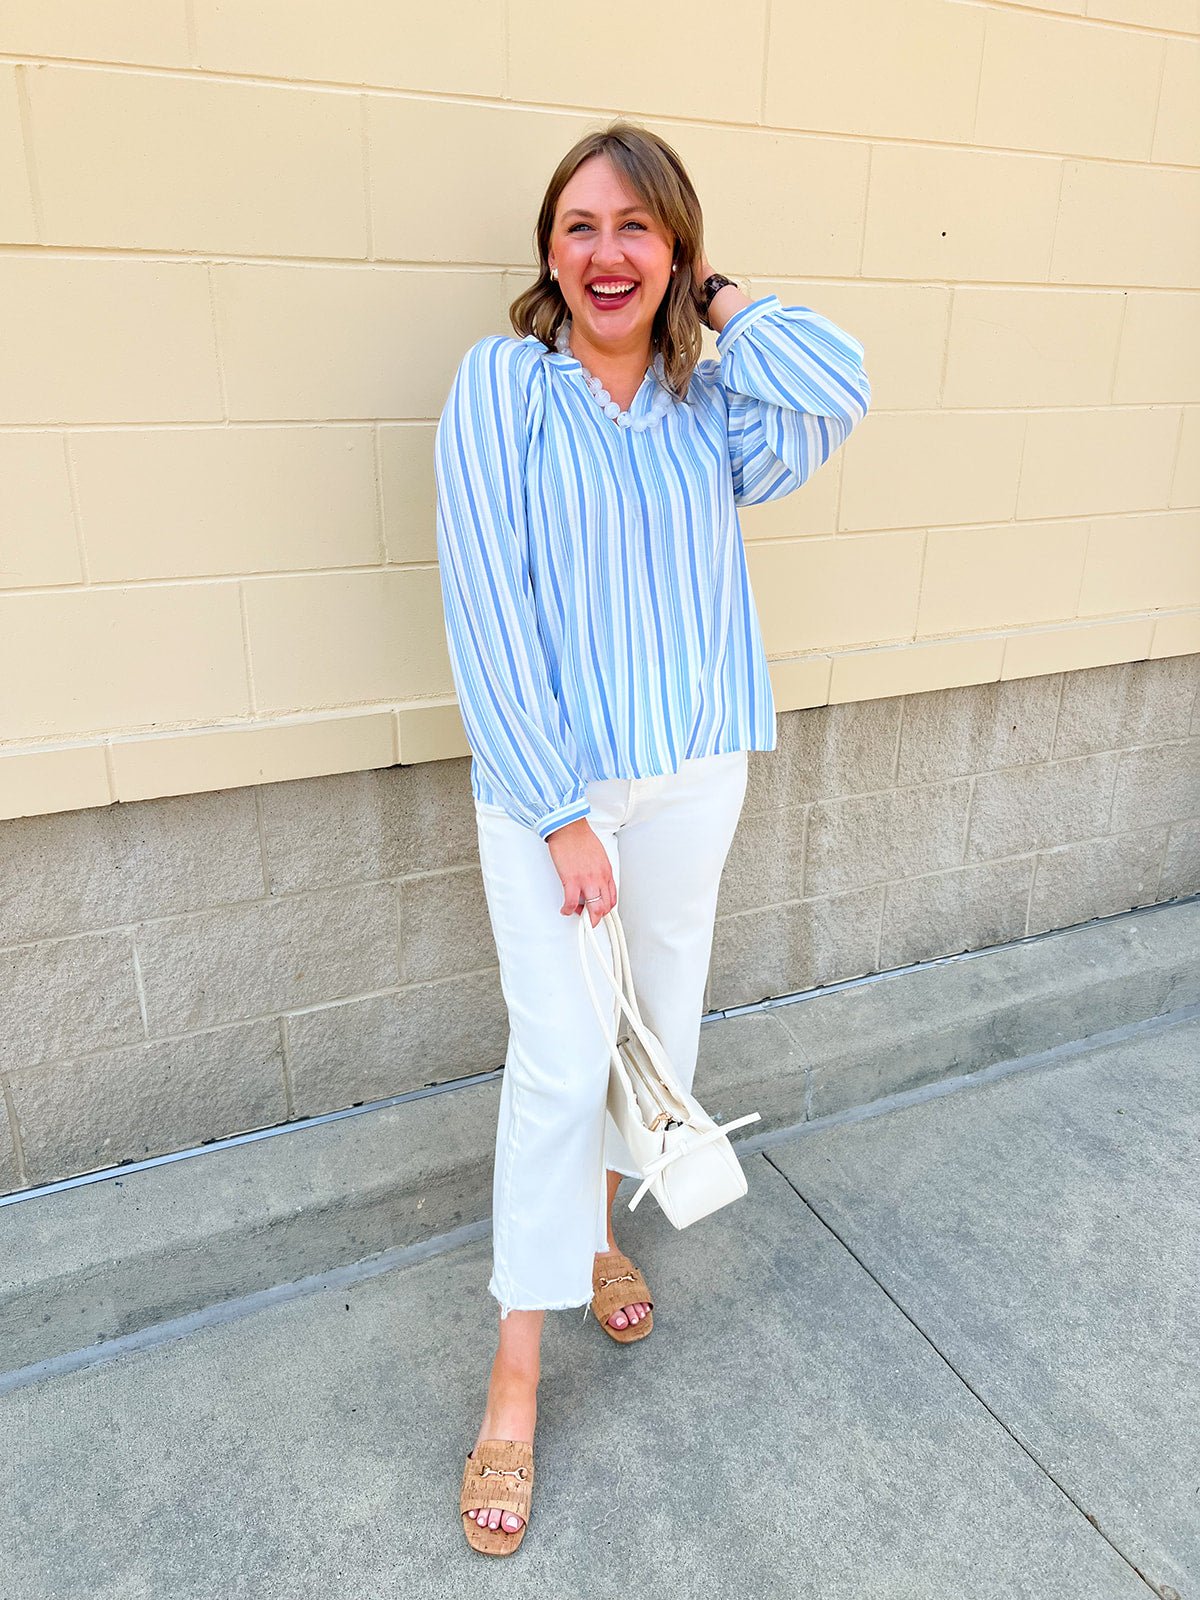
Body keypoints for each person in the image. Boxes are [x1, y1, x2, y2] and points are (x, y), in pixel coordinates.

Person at [434, 119, 871, 1555]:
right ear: (546, 253)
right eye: (579, 227)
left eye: (637, 227)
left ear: (675, 245)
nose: (604, 254)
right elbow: (485, 603)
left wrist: (724, 302)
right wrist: (558, 812)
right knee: (563, 1057)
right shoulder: (509, 388)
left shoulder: (709, 403)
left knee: (659, 1026)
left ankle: (607, 1230)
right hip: (553, 789)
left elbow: (842, 385)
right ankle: (515, 1376)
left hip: (696, 773)